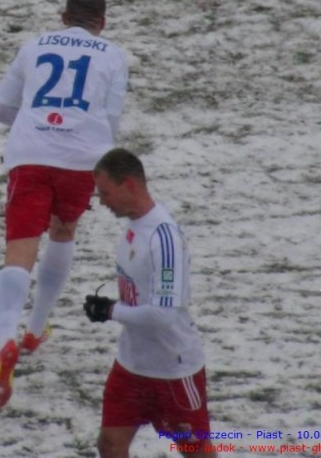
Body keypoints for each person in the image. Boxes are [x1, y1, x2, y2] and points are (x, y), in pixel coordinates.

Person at [0, 0, 129, 407]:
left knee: (20, 246)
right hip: (82, 157)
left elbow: (1, 109)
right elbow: (111, 120)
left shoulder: (34, 46)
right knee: (63, 232)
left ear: (63, 17)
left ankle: (5, 339)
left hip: (31, 153)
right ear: (102, 23)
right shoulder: (114, 55)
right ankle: (35, 329)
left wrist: (37, 118)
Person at [83, 148, 217, 458]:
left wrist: (110, 310)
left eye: (105, 193)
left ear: (129, 184)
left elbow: (163, 314)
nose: (102, 202)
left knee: (194, 450)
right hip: (131, 364)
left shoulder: (164, 238)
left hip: (172, 369)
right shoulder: (133, 228)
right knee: (110, 445)